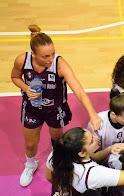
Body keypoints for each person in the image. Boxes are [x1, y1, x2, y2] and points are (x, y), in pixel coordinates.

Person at [10, 24, 102, 187]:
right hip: (32, 109)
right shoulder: (22, 60)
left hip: (55, 109)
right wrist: (26, 88)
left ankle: (58, 163)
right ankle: (31, 164)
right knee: (30, 144)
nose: (50, 59)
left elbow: (79, 91)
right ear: (34, 54)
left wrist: (93, 113)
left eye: (52, 53)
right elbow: (15, 77)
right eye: (45, 56)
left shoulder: (59, 64)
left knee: (57, 139)